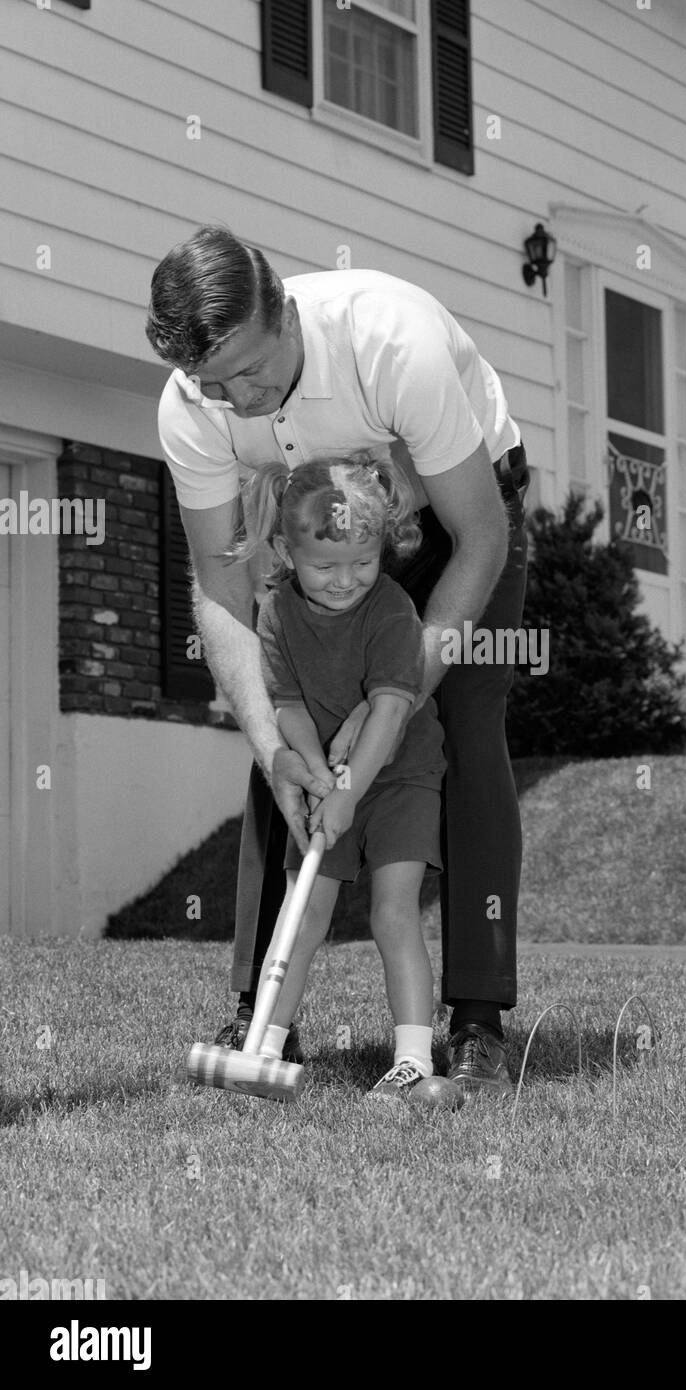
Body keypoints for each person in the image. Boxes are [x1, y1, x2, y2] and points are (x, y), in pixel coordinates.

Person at [146, 226, 528, 1094]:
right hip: (311, 537)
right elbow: (222, 588)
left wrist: (388, 712)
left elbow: (480, 538)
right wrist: (275, 740)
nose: (237, 398)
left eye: (252, 370)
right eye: (214, 384)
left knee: (462, 729)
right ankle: (264, 1015)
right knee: (282, 727)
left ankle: (474, 1019)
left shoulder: (393, 342)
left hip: (449, 522)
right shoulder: (190, 408)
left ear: (284, 311)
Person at [232, 452, 445, 1097]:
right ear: (285, 552)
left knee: (393, 912)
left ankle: (414, 1057)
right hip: (329, 778)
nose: (346, 580)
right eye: (326, 565)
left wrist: (351, 791)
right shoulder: (275, 614)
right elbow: (288, 704)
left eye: (363, 561)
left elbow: (390, 707)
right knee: (303, 913)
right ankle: (264, 1045)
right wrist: (321, 778)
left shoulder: (390, 608)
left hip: (400, 774)